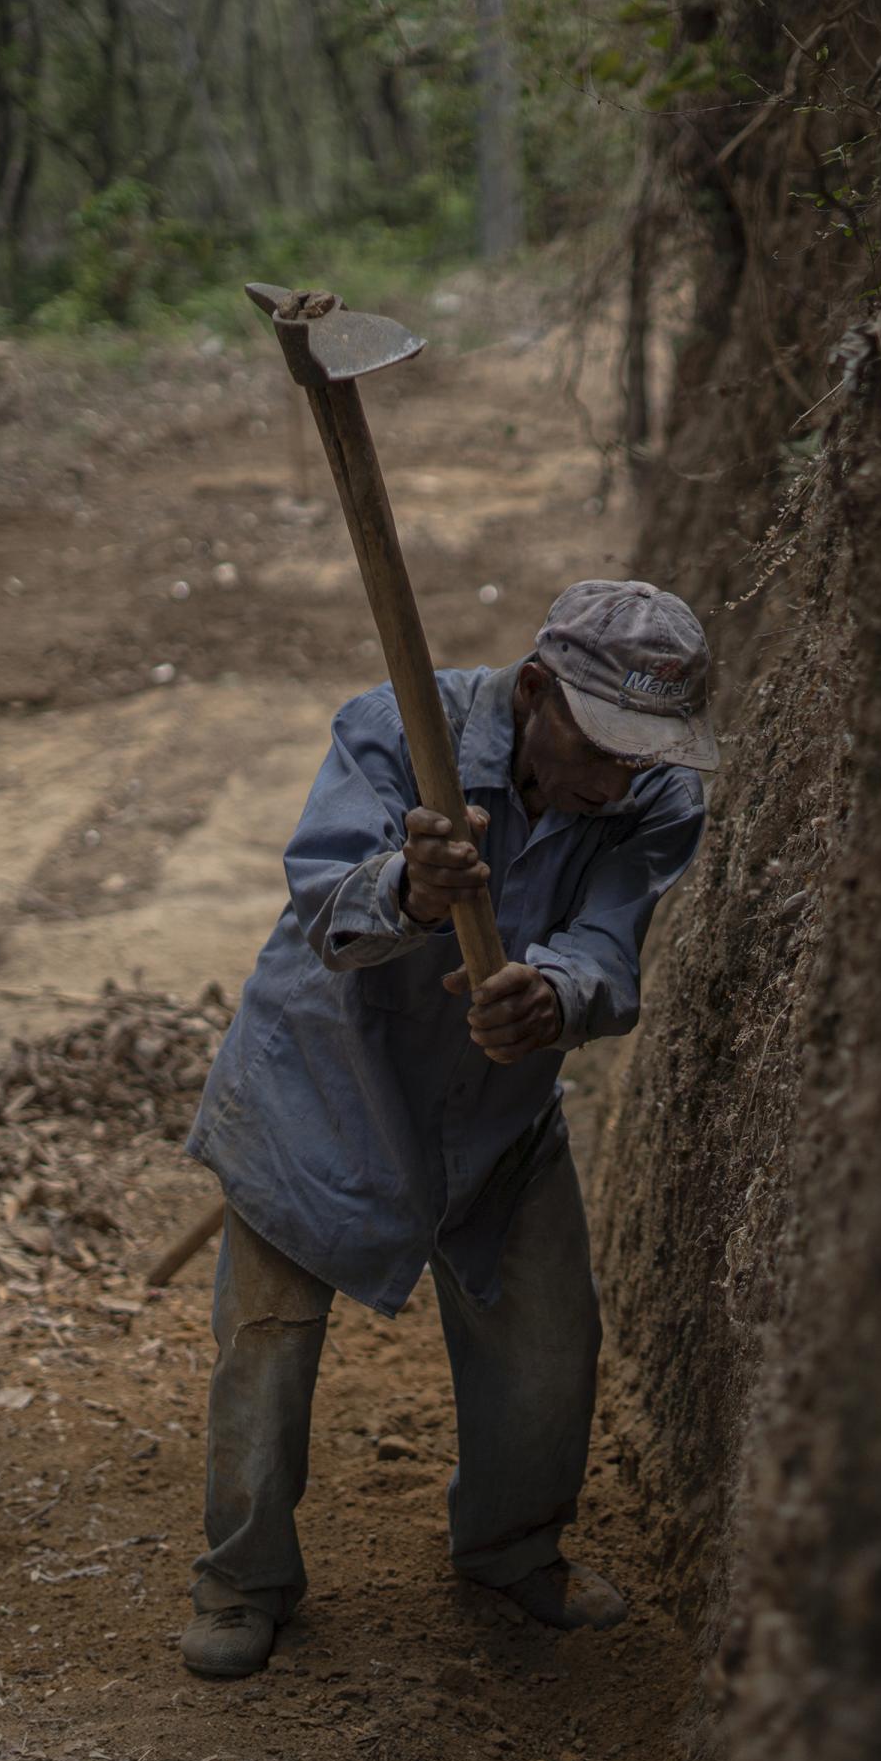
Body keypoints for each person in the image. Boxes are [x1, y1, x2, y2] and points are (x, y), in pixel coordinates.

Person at [176, 579, 720, 1679]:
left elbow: (608, 945)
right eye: (603, 743)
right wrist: (414, 896)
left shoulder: (653, 798)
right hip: (321, 1093)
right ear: (534, 694)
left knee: (548, 1341)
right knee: (266, 1349)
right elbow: (326, 906)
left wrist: (553, 999)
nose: (619, 775)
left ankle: (515, 1547)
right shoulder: (394, 728)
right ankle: (243, 1578)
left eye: (644, 752)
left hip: (495, 1116)